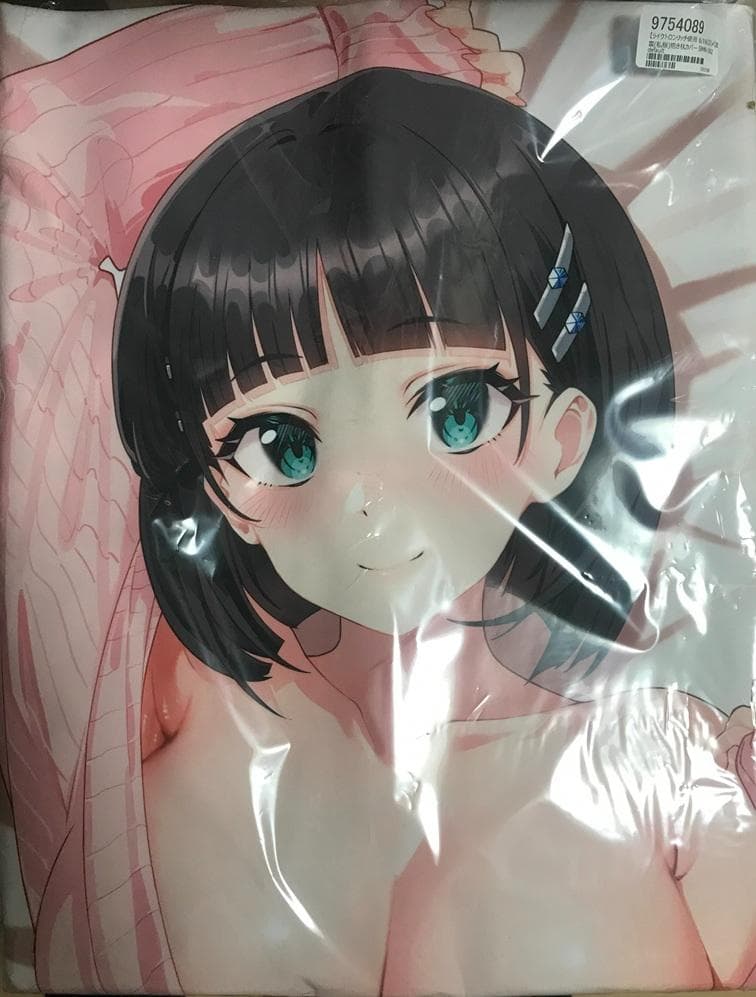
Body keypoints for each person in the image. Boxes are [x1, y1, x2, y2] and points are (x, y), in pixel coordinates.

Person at [2, 4, 754, 994]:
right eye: (281, 441)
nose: (369, 499)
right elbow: (34, 165)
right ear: (213, 481)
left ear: (565, 436)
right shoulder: (151, 703)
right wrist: (353, 45)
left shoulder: (660, 763)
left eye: (455, 410)